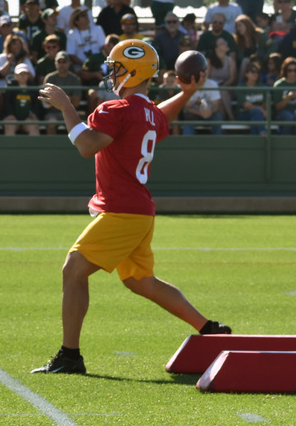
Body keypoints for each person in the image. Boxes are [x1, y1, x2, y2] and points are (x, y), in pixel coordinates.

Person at [32, 39, 232, 374]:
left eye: (117, 67)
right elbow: (158, 114)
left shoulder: (116, 110)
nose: (111, 73)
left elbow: (86, 146)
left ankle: (69, 355)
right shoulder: (147, 112)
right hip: (139, 210)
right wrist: (186, 94)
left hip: (122, 210)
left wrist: (66, 106)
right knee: (141, 281)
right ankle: (208, 328)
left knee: (73, 269)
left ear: (133, 70)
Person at [42, 51, 80, 133]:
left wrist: (58, 100)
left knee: (74, 124)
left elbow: (76, 103)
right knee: (51, 123)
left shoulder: (75, 79)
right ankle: (51, 145)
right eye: (59, 62)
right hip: (53, 112)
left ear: (69, 63)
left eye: (64, 62)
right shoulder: (49, 78)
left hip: (70, 111)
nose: (61, 64)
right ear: (55, 63)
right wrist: (66, 99)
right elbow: (47, 101)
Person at [272, 56, 296, 135]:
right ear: (285, 70)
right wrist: (288, 98)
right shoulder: (279, 85)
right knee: (289, 118)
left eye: (295, 70)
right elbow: (277, 107)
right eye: (289, 70)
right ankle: (285, 143)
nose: (292, 73)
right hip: (283, 112)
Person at [2, 62, 41, 135]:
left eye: (25, 74)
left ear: (28, 75)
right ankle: (10, 146)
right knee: (9, 126)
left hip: (28, 118)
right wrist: (10, 114)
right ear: (15, 76)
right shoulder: (9, 86)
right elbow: (7, 103)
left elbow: (37, 104)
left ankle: (35, 146)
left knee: (34, 126)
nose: (22, 76)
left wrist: (33, 114)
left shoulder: (33, 87)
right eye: (20, 74)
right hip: (13, 118)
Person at [234, 61, 267, 134]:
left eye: (257, 72)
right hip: (243, 114)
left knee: (255, 118)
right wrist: (260, 109)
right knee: (257, 112)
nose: (255, 74)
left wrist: (261, 110)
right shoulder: (240, 87)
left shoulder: (262, 87)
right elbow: (246, 106)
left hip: (259, 116)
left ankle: (257, 139)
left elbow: (265, 103)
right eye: (253, 72)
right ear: (246, 73)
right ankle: (263, 132)